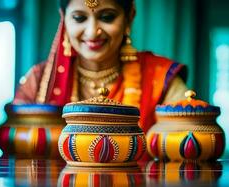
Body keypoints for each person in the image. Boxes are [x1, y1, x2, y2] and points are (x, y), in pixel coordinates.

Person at [13, 0, 187, 133]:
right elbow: (15, 141)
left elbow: (188, 134)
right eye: (79, 18)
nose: (92, 32)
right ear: (63, 17)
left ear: (130, 17)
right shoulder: (39, 79)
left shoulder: (159, 76)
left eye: (107, 17)